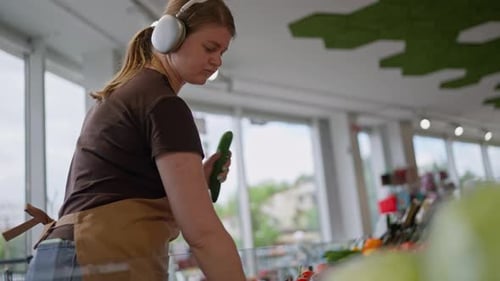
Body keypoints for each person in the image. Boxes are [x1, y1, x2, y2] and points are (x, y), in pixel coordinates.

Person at [2, 0, 247, 280]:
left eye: (222, 52)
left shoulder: (130, 93)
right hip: (96, 259)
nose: (217, 60)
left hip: (67, 257)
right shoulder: (164, 105)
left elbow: (112, 191)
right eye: (210, 47)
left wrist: (196, 180)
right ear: (171, 37)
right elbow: (202, 233)